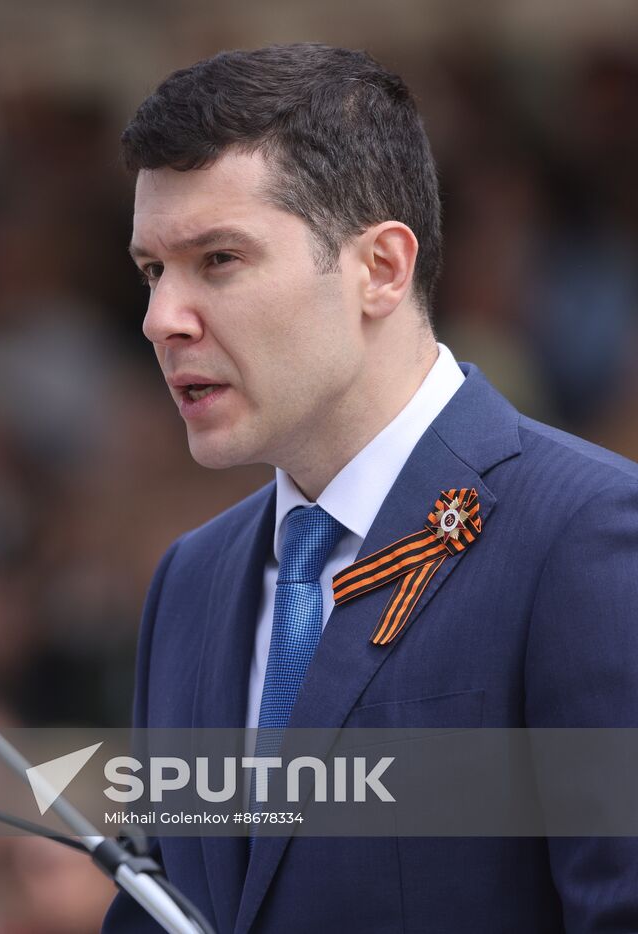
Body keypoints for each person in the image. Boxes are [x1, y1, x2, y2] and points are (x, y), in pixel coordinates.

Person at [103, 44, 638, 933]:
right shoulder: (190, 583)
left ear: (382, 269)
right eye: (152, 271)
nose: (162, 319)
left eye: (220, 259)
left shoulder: (585, 537)